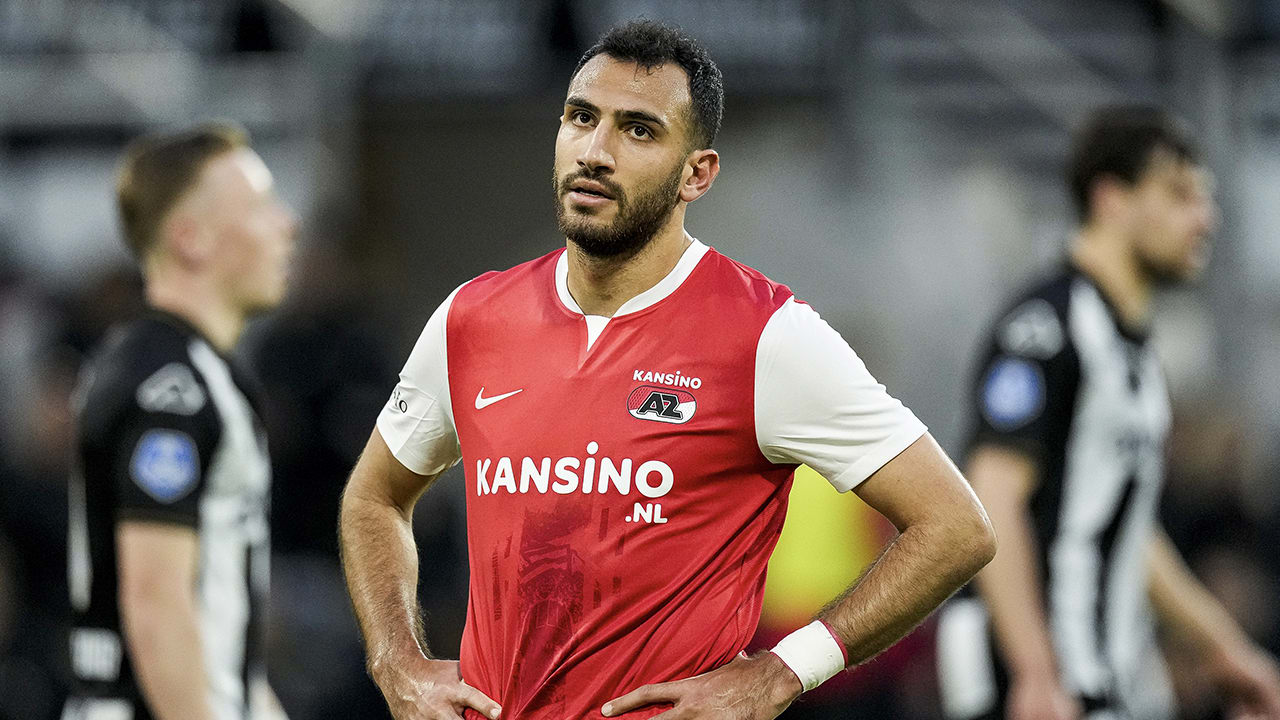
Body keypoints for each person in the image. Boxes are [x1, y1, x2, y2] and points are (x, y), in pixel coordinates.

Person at [340, 20, 996, 720]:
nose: (595, 152)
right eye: (581, 118)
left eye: (638, 131)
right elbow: (374, 498)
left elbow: (955, 527)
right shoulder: (472, 319)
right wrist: (396, 662)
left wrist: (782, 673)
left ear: (696, 174)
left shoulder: (768, 336)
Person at [935, 106, 1280, 720]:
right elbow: (992, 501)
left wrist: (1224, 648)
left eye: (1205, 198)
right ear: (1111, 200)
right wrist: (1035, 672)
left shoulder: (1135, 354)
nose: (1205, 218)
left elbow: (1125, 525)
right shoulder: (1045, 329)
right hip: (1028, 676)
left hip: (1100, 669)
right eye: (1179, 195)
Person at [62, 123, 296, 720]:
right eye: (260, 206)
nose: (286, 224)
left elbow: (220, 650)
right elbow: (157, 605)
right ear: (191, 238)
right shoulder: (172, 388)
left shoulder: (185, 370)